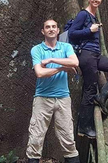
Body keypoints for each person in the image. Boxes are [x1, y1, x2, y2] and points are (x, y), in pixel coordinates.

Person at [68, 0, 108, 139]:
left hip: (96, 55)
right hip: (86, 55)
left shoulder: (94, 17)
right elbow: (72, 34)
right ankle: (84, 127)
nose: (96, 0)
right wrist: (89, 30)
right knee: (89, 88)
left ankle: (101, 97)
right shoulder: (83, 14)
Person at [26, 19, 80, 163]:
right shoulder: (36, 49)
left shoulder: (66, 47)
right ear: (43, 31)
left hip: (63, 98)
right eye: (47, 27)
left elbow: (75, 62)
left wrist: (51, 60)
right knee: (35, 139)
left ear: (58, 31)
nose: (51, 29)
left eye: (54, 27)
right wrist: (62, 68)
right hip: (42, 98)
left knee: (68, 138)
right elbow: (40, 73)